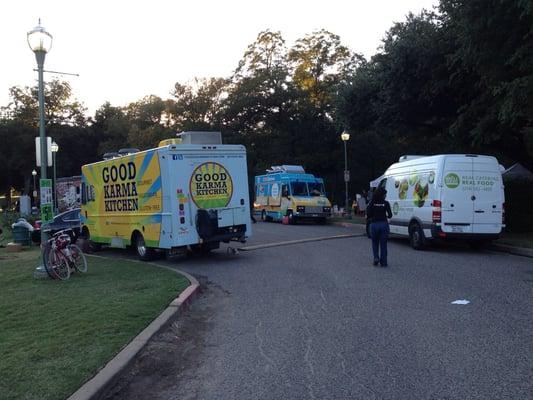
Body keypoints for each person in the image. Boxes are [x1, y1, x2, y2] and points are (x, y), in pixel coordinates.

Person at [366, 187, 392, 267]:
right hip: (384, 224)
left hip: (374, 225)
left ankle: (376, 257)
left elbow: (368, 214)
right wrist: (385, 215)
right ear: (382, 195)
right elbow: (390, 215)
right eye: (385, 194)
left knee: (375, 242)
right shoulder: (386, 203)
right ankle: (383, 262)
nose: (385, 196)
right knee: (383, 244)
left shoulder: (372, 202)